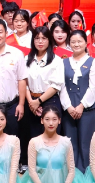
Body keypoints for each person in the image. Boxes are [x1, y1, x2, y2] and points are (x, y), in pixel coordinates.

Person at [21, 27, 64, 166]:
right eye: (37, 38)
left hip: (49, 101)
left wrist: (38, 101)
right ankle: (33, 167)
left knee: (49, 135)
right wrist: (31, 102)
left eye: (44, 38)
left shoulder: (56, 60)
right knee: (32, 136)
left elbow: (56, 85)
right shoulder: (26, 59)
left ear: (49, 40)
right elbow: (23, 82)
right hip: (30, 101)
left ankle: (51, 166)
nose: (40, 41)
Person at [60, 30, 95, 173]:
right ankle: (72, 174)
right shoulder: (63, 62)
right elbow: (61, 86)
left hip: (87, 110)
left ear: (85, 43)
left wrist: (82, 106)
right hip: (68, 110)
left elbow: (93, 87)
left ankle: (86, 174)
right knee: (70, 144)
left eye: (79, 41)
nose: (76, 44)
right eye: (73, 42)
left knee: (85, 143)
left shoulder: (93, 62)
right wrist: (68, 107)